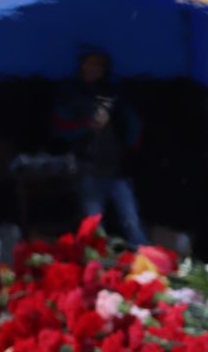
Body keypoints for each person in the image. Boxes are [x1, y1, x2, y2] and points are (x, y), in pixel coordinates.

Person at [51, 50, 147, 246]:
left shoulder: (115, 94)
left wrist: (129, 148)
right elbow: (59, 128)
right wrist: (87, 125)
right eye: (89, 64)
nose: (93, 69)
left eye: (98, 66)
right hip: (88, 167)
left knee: (131, 220)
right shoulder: (70, 94)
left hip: (117, 167)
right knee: (93, 223)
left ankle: (146, 262)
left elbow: (133, 125)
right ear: (81, 66)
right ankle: (97, 267)